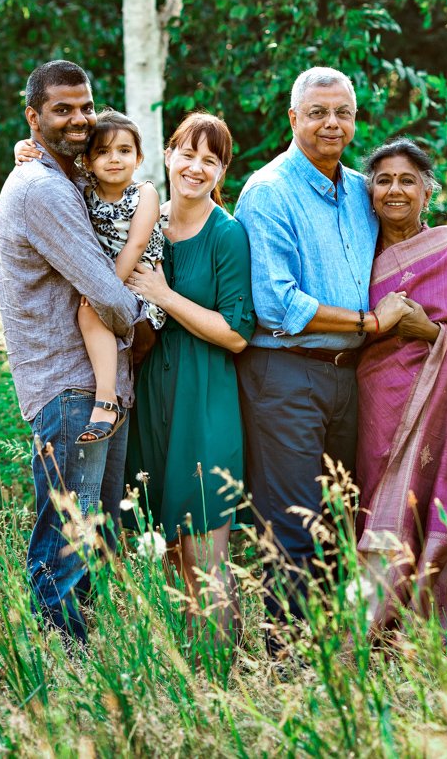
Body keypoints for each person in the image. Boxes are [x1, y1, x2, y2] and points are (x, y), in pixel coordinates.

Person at [234, 67, 410, 648]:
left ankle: (335, 646)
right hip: (285, 373)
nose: (331, 123)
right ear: (293, 118)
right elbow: (277, 304)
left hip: (349, 377)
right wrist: (368, 323)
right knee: (292, 520)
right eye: (317, 112)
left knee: (342, 517)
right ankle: (286, 660)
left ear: (355, 119)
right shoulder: (268, 191)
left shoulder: (362, 190)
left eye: (342, 113)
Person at [0, 60, 154, 644]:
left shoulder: (68, 180)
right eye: (62, 109)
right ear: (34, 117)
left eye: (85, 106)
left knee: (96, 541)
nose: (79, 118)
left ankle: (90, 678)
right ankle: (57, 674)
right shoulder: (41, 189)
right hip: (72, 390)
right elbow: (107, 293)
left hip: (97, 387)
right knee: (67, 540)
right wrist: (145, 321)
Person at [353, 138, 447, 635]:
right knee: (378, 507)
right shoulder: (354, 255)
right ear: (369, 192)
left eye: (406, 180)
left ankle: (436, 633)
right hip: (376, 403)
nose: (394, 190)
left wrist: (432, 333)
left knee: (440, 505)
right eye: (383, 180)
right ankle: (375, 630)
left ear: (427, 190)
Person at [122, 112, 255, 642]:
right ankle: (187, 683)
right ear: (169, 155)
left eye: (211, 160)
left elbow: (237, 333)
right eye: (188, 154)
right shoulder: (143, 221)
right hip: (150, 398)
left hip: (204, 400)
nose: (196, 168)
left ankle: (223, 680)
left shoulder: (227, 235)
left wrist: (166, 297)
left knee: (205, 555)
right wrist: (29, 150)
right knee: (169, 556)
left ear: (221, 171)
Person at [14, 111, 166, 444]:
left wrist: (104, 286)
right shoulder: (84, 189)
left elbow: (137, 244)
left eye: (124, 151)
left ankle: (105, 400)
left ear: (139, 158)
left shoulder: (145, 193)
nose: (114, 159)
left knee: (89, 309)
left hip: (138, 287)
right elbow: (46, 162)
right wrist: (21, 149)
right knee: (88, 310)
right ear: (88, 161)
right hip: (107, 285)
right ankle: (109, 395)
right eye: (103, 152)